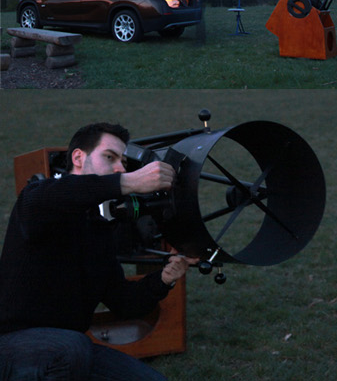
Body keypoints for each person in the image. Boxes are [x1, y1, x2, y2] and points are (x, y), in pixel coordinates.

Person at [0, 123, 198, 380]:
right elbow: (59, 195)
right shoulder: (39, 200)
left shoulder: (99, 229)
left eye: (123, 162)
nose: (120, 167)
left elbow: (124, 303)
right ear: (78, 157)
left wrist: (165, 278)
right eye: (109, 157)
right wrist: (129, 181)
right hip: (12, 345)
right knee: (70, 348)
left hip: (70, 351)